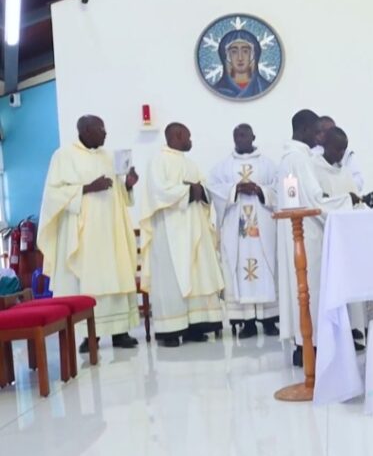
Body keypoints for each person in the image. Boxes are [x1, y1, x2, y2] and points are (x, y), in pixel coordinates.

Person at [38, 115, 140, 351]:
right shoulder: (64, 156)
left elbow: (118, 194)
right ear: (84, 131)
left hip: (111, 230)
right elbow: (52, 195)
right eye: (100, 129)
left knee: (115, 277)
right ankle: (89, 336)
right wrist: (87, 188)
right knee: (88, 282)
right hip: (84, 233)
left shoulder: (109, 156)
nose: (105, 133)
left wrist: (128, 184)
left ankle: (120, 332)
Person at [277, 110, 355, 366]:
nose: (320, 137)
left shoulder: (288, 158)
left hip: (297, 233)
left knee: (302, 291)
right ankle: (313, 346)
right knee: (312, 290)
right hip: (308, 236)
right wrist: (347, 202)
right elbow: (315, 201)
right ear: (305, 130)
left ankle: (304, 345)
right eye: (317, 132)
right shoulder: (299, 160)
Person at [139, 123, 224, 347]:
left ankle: (195, 327)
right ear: (177, 136)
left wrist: (200, 190)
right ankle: (170, 330)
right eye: (188, 136)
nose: (190, 140)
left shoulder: (190, 163)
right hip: (169, 232)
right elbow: (159, 192)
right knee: (172, 280)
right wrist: (188, 190)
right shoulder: (158, 161)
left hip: (195, 228)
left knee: (197, 275)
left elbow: (204, 188)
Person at [208, 124, 279, 339]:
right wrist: (235, 189)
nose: (240, 139)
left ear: (253, 137)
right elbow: (213, 189)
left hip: (263, 230)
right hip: (237, 232)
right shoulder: (223, 167)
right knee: (239, 269)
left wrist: (260, 190)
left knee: (267, 268)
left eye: (244, 135)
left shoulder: (268, 165)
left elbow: (278, 189)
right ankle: (247, 322)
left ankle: (269, 320)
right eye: (236, 136)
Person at [313, 126, 368, 347]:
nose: (341, 154)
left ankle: (353, 329)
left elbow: (356, 200)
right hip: (326, 238)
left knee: (350, 285)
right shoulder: (314, 169)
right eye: (337, 149)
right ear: (325, 145)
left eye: (344, 150)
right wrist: (344, 200)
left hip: (347, 239)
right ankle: (335, 334)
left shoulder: (344, 171)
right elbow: (320, 202)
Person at [312, 115, 366, 194]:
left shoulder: (346, 161)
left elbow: (358, 182)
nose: (342, 153)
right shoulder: (312, 161)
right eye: (326, 132)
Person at [213, 29, 273, 99]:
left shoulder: (264, 88)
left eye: (245, 51)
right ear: (227, 57)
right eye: (234, 52)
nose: (240, 58)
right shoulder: (217, 90)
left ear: (253, 56)